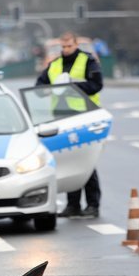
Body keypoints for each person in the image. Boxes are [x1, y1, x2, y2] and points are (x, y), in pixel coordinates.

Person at [36, 30, 104, 219]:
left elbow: (96, 85)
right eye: (63, 46)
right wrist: (52, 87)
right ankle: (73, 205)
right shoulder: (55, 64)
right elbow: (39, 87)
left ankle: (92, 204)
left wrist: (72, 85)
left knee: (86, 161)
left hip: (85, 116)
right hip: (63, 118)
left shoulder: (88, 61)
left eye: (69, 46)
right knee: (70, 160)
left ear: (76, 45)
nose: (66, 50)